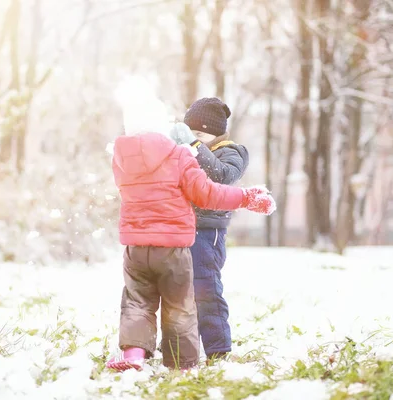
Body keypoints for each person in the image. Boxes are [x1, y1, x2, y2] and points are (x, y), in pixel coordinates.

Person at [107, 123, 275, 372]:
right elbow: (207, 193)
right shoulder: (179, 155)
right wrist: (245, 197)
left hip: (136, 249)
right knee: (179, 306)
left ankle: (134, 355)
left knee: (137, 301)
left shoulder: (123, 160)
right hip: (173, 249)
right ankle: (181, 364)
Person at [169, 97, 248, 363]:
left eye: (200, 134)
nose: (194, 139)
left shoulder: (232, 152)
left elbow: (221, 176)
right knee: (176, 292)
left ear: (214, 133)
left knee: (206, 290)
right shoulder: (187, 150)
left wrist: (192, 146)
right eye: (190, 133)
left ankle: (218, 348)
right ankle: (174, 347)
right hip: (179, 229)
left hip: (207, 232)